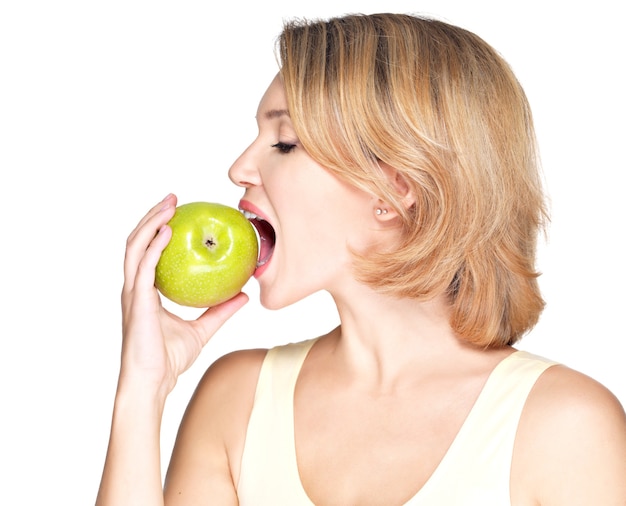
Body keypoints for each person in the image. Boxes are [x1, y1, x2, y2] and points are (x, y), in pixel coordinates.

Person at [96, 13, 626, 506]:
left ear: (394, 187)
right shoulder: (237, 400)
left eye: (284, 143)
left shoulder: (564, 426)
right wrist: (143, 387)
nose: (238, 169)